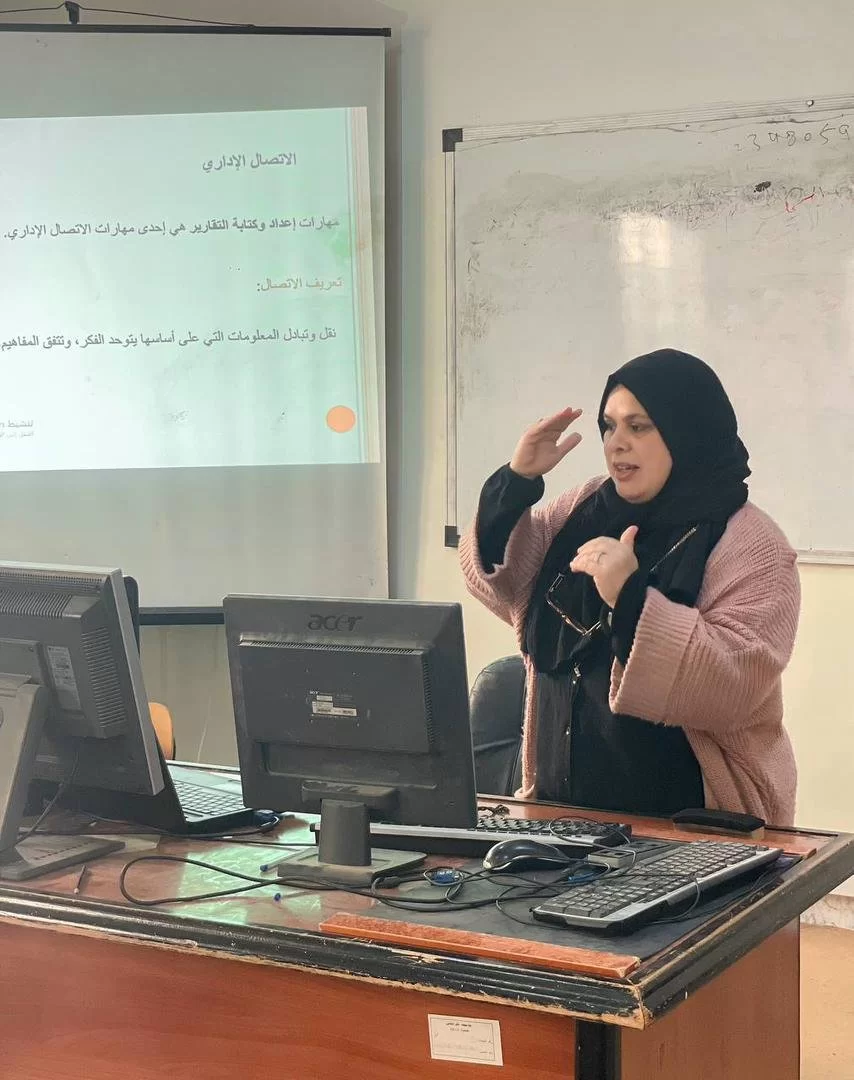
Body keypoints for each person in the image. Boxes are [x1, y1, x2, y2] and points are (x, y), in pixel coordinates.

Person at [460, 349, 800, 825]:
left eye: (638, 427)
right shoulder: (587, 506)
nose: (616, 444)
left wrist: (631, 599)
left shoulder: (753, 544)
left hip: (695, 830)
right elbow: (508, 583)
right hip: (561, 818)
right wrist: (516, 483)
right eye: (609, 426)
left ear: (686, 431)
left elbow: (733, 685)